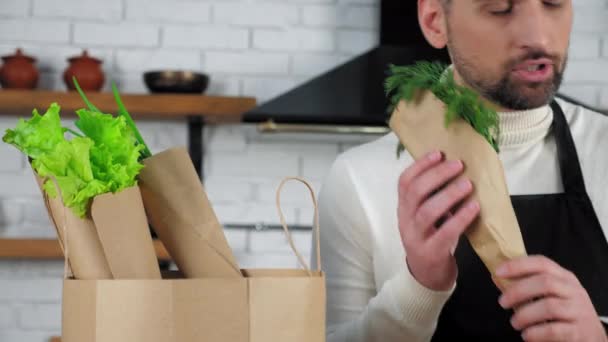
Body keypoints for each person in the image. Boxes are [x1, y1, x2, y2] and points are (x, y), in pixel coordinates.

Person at [314, 0, 608, 341]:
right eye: (500, 8)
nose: (538, 36)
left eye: (553, 3)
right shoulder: (359, 178)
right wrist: (420, 288)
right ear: (435, 20)